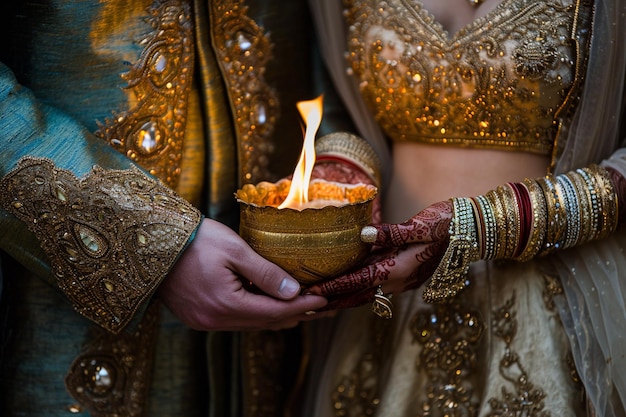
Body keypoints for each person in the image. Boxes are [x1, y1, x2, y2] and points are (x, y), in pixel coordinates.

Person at [0, 1, 387, 416]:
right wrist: (153, 244)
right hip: (53, 305)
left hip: (283, 330)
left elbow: (327, 35)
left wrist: (338, 164)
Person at [297, 0, 626, 416]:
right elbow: (329, 96)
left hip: (551, 289)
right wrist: (346, 172)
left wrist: (492, 222)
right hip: (387, 288)